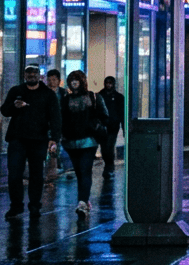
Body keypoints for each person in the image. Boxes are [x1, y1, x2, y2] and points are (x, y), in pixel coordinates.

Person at [2, 66, 61, 219]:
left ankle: (34, 205)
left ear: (39, 76)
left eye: (35, 74)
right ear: (25, 75)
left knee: (36, 175)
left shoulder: (47, 94)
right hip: (17, 139)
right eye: (29, 74)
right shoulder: (16, 91)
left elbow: (55, 117)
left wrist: (54, 138)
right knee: (14, 174)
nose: (32, 76)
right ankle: (16, 206)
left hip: (38, 140)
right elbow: (4, 110)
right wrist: (14, 106)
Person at [58, 71, 108, 217]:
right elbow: (61, 119)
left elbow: (104, 116)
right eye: (71, 80)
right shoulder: (65, 99)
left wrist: (95, 126)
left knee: (85, 170)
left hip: (88, 141)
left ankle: (82, 202)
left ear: (82, 81)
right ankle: (84, 200)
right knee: (80, 172)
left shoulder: (93, 97)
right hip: (70, 142)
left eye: (77, 79)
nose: (74, 82)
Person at [97, 76, 124, 180]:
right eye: (107, 83)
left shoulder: (118, 97)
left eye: (110, 83)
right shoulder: (100, 95)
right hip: (103, 126)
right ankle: (109, 166)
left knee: (109, 146)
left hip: (113, 126)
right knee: (105, 148)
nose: (108, 85)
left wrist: (123, 127)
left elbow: (121, 114)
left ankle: (109, 167)